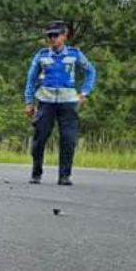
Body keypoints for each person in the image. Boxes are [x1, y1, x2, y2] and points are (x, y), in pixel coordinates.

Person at [24, 21, 96, 185]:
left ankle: (64, 175)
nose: (52, 39)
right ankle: (36, 173)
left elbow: (90, 71)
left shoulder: (75, 54)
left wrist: (85, 92)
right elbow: (31, 79)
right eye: (49, 36)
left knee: (68, 139)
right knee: (39, 138)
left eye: (55, 35)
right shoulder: (42, 55)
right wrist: (29, 102)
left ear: (64, 36)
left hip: (68, 102)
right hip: (45, 101)